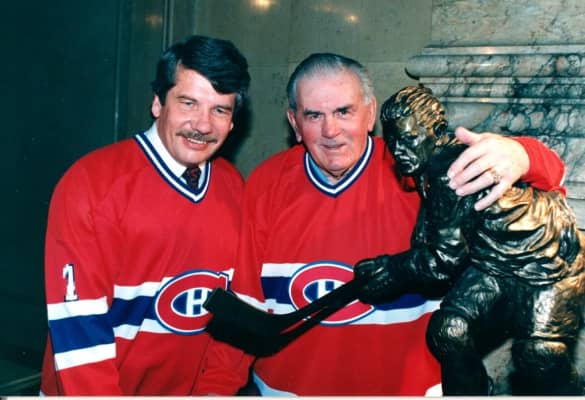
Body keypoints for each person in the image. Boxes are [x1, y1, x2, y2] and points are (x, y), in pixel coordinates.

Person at [194, 53, 566, 396]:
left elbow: (552, 182)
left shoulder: (418, 169)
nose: (331, 131)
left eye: (344, 111)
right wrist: (216, 389)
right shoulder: (266, 183)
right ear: (294, 122)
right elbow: (245, 306)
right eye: (314, 116)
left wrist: (521, 154)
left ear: (370, 114)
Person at [40, 34, 250, 395]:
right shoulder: (92, 183)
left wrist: (214, 390)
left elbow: (236, 314)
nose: (202, 125)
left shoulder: (233, 187)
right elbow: (80, 330)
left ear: (233, 122)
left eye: (220, 110)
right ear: (157, 103)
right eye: (188, 103)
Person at [354, 85, 585, 395]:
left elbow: (443, 260)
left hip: (550, 262)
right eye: (393, 141)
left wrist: (392, 269)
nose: (399, 151)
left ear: (437, 132)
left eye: (409, 139)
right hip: (493, 262)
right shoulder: (427, 167)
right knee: (449, 331)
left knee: (540, 355)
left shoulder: (448, 170)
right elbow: (432, 231)